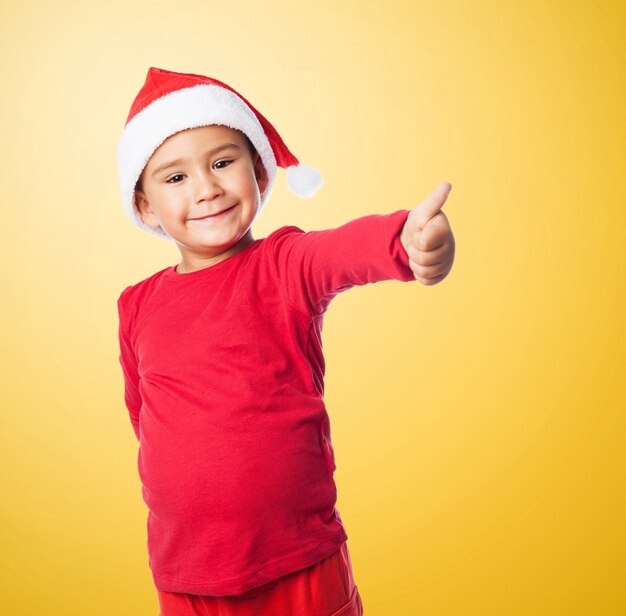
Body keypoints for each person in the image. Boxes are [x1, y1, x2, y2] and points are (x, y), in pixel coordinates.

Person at [115, 67, 455, 616]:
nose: (206, 188)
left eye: (223, 162)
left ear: (260, 174)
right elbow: (144, 414)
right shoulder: (136, 305)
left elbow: (344, 251)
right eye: (175, 178)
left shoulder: (284, 265)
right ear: (146, 206)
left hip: (297, 561)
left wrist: (409, 240)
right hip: (186, 572)